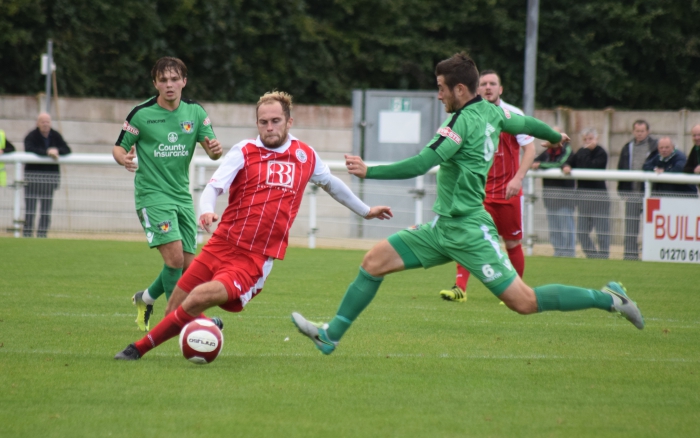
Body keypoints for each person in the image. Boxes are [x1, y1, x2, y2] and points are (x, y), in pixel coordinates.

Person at [291, 53, 644, 357]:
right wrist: (553, 137)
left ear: (460, 90)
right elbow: (525, 123)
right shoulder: (493, 112)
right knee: (373, 262)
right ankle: (330, 336)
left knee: (524, 302)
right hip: (443, 227)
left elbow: (420, 163)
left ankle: (609, 299)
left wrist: (370, 171)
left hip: (470, 229)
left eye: (441, 87)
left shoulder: (458, 124)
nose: (439, 93)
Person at [114, 91, 393, 360]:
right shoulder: (244, 151)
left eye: (275, 121)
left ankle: (137, 349)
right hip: (221, 244)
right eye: (263, 122)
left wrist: (366, 211)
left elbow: (333, 185)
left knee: (198, 297)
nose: (269, 127)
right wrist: (207, 211)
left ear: (288, 122)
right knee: (174, 309)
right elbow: (214, 187)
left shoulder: (305, 155)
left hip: (253, 258)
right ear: (257, 123)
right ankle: (204, 336)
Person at [113, 57, 223, 332]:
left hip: (182, 197)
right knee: (173, 260)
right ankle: (185, 320)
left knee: (187, 267)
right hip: (152, 195)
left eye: (174, 79)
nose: (169, 85)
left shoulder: (195, 113)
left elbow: (212, 150)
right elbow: (119, 147)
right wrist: (123, 159)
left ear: (184, 81)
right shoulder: (141, 113)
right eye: (163, 80)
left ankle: (145, 298)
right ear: (155, 84)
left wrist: (215, 150)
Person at [439, 69, 535, 302]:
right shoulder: (468, 115)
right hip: (478, 192)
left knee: (512, 242)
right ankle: (460, 288)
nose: (488, 87)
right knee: (467, 236)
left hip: (508, 191)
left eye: (493, 84)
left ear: (500, 89)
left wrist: (518, 178)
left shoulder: (512, 114)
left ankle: (516, 293)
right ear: (477, 89)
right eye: (484, 84)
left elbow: (530, 149)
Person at [562, 129, 610, 259]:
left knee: (602, 233)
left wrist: (587, 151)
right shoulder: (580, 152)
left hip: (599, 199)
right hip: (583, 200)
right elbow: (569, 161)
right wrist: (567, 165)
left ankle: (604, 258)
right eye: (585, 140)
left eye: (590, 139)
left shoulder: (601, 153)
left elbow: (591, 167)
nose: (588, 142)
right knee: (582, 232)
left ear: (596, 138)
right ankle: (593, 256)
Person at [23, 112, 72, 238]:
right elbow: (29, 148)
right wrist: (47, 152)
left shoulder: (55, 136)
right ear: (37, 123)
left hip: (49, 180)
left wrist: (56, 151)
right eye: (43, 121)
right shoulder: (31, 136)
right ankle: (27, 235)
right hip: (32, 179)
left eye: (47, 121)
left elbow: (67, 149)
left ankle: (42, 235)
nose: (45, 124)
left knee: (45, 211)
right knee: (30, 210)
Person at [617, 120, 657, 260]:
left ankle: (649, 254)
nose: (639, 134)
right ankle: (630, 255)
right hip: (632, 193)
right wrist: (622, 191)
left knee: (651, 227)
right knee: (631, 227)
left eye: (642, 131)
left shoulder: (655, 147)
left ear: (647, 131)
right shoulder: (627, 147)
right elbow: (621, 168)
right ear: (633, 131)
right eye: (637, 131)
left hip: (649, 194)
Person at [532, 130, 575, 257]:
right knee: (554, 229)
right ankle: (558, 252)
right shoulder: (546, 152)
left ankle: (569, 253)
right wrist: (537, 164)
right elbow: (534, 162)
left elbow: (559, 163)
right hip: (550, 198)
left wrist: (540, 165)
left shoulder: (567, 150)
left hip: (564, 198)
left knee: (567, 228)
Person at [682, 124, 700, 192]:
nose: (697, 138)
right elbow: (686, 169)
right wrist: (694, 170)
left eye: (699, 135)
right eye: (694, 135)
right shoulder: (695, 149)